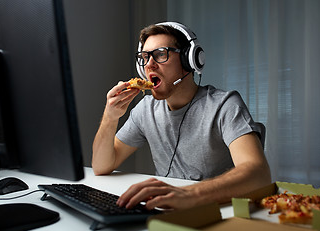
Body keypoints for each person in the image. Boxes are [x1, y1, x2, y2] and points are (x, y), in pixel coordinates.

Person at [92, 22, 271, 211]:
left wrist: (189, 194)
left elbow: (259, 174)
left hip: (217, 212)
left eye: (161, 54)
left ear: (189, 60)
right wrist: (110, 117)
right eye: (144, 57)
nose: (149, 65)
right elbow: (101, 166)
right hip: (166, 210)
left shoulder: (224, 105)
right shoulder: (145, 109)